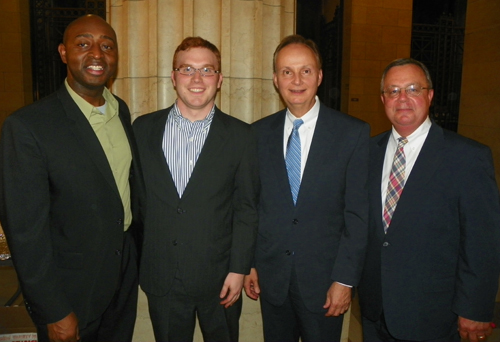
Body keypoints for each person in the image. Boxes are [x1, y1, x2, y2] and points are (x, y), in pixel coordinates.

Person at [0, 14, 142, 342]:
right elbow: (25, 232)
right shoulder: (28, 127)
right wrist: (52, 309)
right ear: (64, 53)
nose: (97, 53)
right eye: (83, 44)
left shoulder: (119, 110)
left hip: (122, 276)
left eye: (107, 46)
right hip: (71, 289)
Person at [357, 58, 500, 342]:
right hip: (375, 310)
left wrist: (475, 308)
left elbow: (483, 242)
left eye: (413, 88)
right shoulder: (367, 153)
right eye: (393, 91)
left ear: (430, 95)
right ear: (383, 98)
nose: (403, 98)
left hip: (433, 314)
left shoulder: (468, 158)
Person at [244, 34, 370, 342]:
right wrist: (250, 263)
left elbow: (357, 215)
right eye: (287, 71)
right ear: (276, 79)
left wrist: (345, 280)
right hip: (273, 279)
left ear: (320, 76)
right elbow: (252, 205)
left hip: (325, 283)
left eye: (306, 70)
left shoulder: (352, 134)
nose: (296, 80)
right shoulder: (257, 134)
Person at [133, 36, 259, 342]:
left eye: (207, 70)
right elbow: (136, 201)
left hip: (220, 278)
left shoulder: (242, 136)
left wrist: (239, 268)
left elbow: (246, 208)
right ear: (173, 77)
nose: (197, 78)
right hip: (162, 275)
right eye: (187, 69)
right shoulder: (142, 129)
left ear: (219, 79)